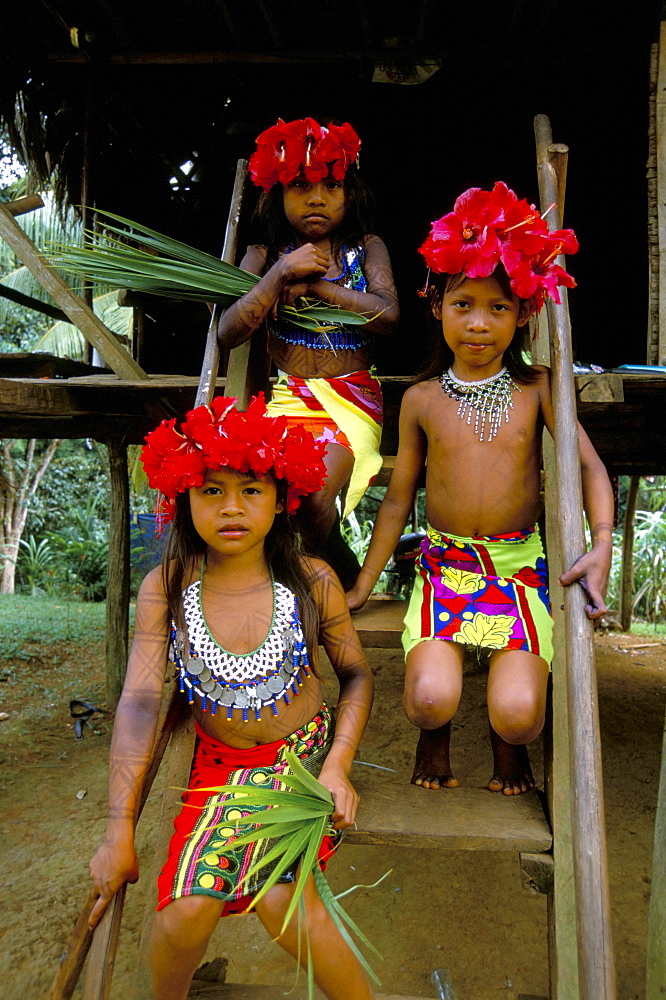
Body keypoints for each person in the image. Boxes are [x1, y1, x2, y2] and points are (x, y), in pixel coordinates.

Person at [89, 394, 375, 1000]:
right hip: (218, 769)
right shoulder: (165, 587)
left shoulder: (312, 580)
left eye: (250, 490)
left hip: (301, 763)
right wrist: (117, 831)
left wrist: (339, 766)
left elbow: (356, 677)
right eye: (211, 491)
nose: (231, 508)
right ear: (183, 498)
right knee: (185, 913)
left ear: (282, 500)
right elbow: (140, 702)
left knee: (281, 899)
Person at [346, 182, 614, 796]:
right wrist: (364, 581)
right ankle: (433, 734)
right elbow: (397, 499)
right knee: (429, 701)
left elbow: (591, 471)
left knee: (520, 717)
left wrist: (599, 545)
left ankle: (508, 744)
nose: (478, 323)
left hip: (519, 573)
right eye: (464, 303)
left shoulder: (541, 389)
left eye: (498, 308)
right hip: (443, 571)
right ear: (436, 304)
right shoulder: (420, 399)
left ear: (524, 313)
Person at [217, 117, 399, 589]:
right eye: (300, 185)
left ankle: (306, 596)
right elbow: (228, 332)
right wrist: (278, 275)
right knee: (282, 500)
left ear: (350, 193)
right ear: (276, 192)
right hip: (287, 400)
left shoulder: (366, 248)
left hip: (352, 401)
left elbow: (389, 316)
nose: (316, 197)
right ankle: (329, 582)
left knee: (313, 499)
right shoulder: (263, 255)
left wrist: (316, 285)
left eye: (331, 185)